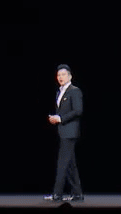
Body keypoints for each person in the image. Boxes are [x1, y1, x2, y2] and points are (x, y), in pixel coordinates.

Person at [44, 64, 84, 202]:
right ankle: (77, 194)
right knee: (70, 165)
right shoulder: (59, 92)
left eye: (63, 74)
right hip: (63, 131)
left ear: (70, 76)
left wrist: (60, 118)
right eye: (58, 75)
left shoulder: (75, 91)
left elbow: (78, 110)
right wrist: (56, 118)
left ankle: (57, 194)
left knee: (62, 163)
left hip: (70, 132)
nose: (60, 77)